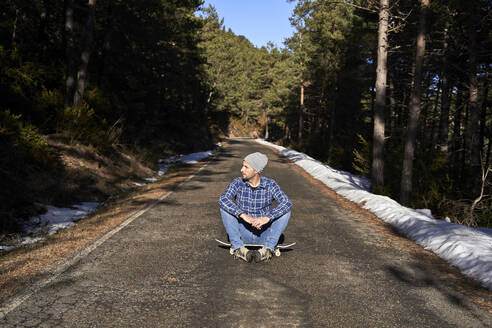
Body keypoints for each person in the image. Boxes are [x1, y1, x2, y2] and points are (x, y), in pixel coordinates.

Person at [218, 152, 292, 262]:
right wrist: (243, 215)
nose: (241, 170)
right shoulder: (237, 183)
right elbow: (223, 199)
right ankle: (238, 248)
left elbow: (287, 202)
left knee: (286, 211)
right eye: (242, 166)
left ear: (256, 170)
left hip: (264, 233)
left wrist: (267, 218)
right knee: (224, 207)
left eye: (246, 167)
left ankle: (267, 249)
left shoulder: (270, 184)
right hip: (243, 233)